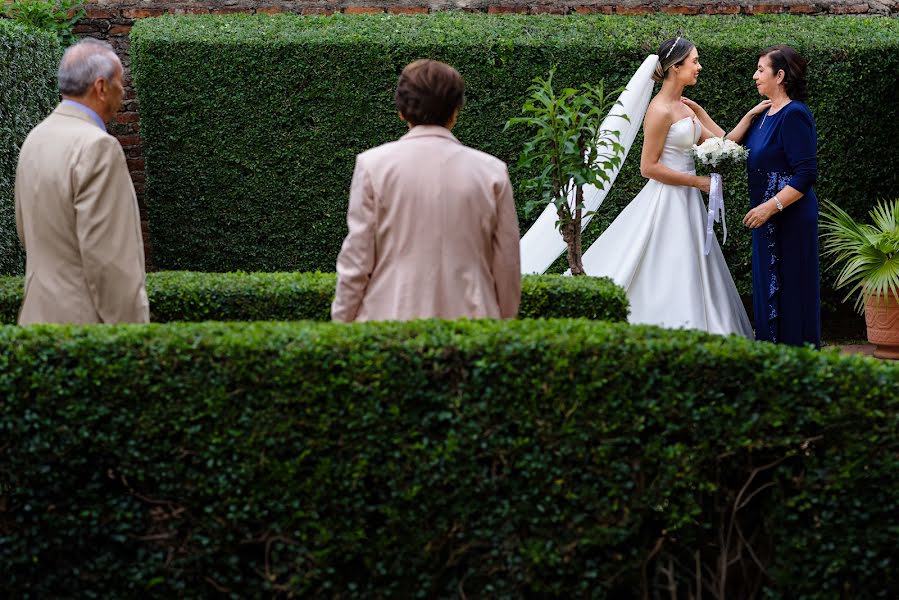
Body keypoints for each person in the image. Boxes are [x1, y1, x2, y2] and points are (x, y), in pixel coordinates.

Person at [577, 38, 752, 337]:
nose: (699, 67)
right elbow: (648, 167)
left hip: (689, 202)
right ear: (675, 67)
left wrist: (744, 115)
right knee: (669, 261)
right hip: (669, 198)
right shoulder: (659, 110)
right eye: (694, 61)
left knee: (695, 263)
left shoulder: (685, 108)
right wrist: (697, 181)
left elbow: (722, 143)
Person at [331, 59, 521, 322]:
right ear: (455, 111)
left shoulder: (373, 166)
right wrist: (506, 322)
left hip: (388, 321)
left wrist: (341, 324)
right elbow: (507, 264)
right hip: (474, 324)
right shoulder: (492, 172)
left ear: (401, 111)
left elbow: (357, 260)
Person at [15, 38, 149, 325]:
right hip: (85, 330)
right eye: (120, 83)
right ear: (101, 87)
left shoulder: (35, 138)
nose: (123, 92)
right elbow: (110, 262)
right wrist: (135, 339)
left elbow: (27, 233)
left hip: (34, 324)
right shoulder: (99, 147)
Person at [695, 45, 820, 347]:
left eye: (760, 70)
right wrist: (702, 112)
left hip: (789, 218)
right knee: (768, 289)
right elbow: (727, 143)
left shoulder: (794, 115)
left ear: (780, 76)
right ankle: (772, 359)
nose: (754, 76)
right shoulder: (764, 115)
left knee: (791, 291)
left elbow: (806, 173)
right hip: (766, 220)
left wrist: (770, 207)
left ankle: (799, 366)